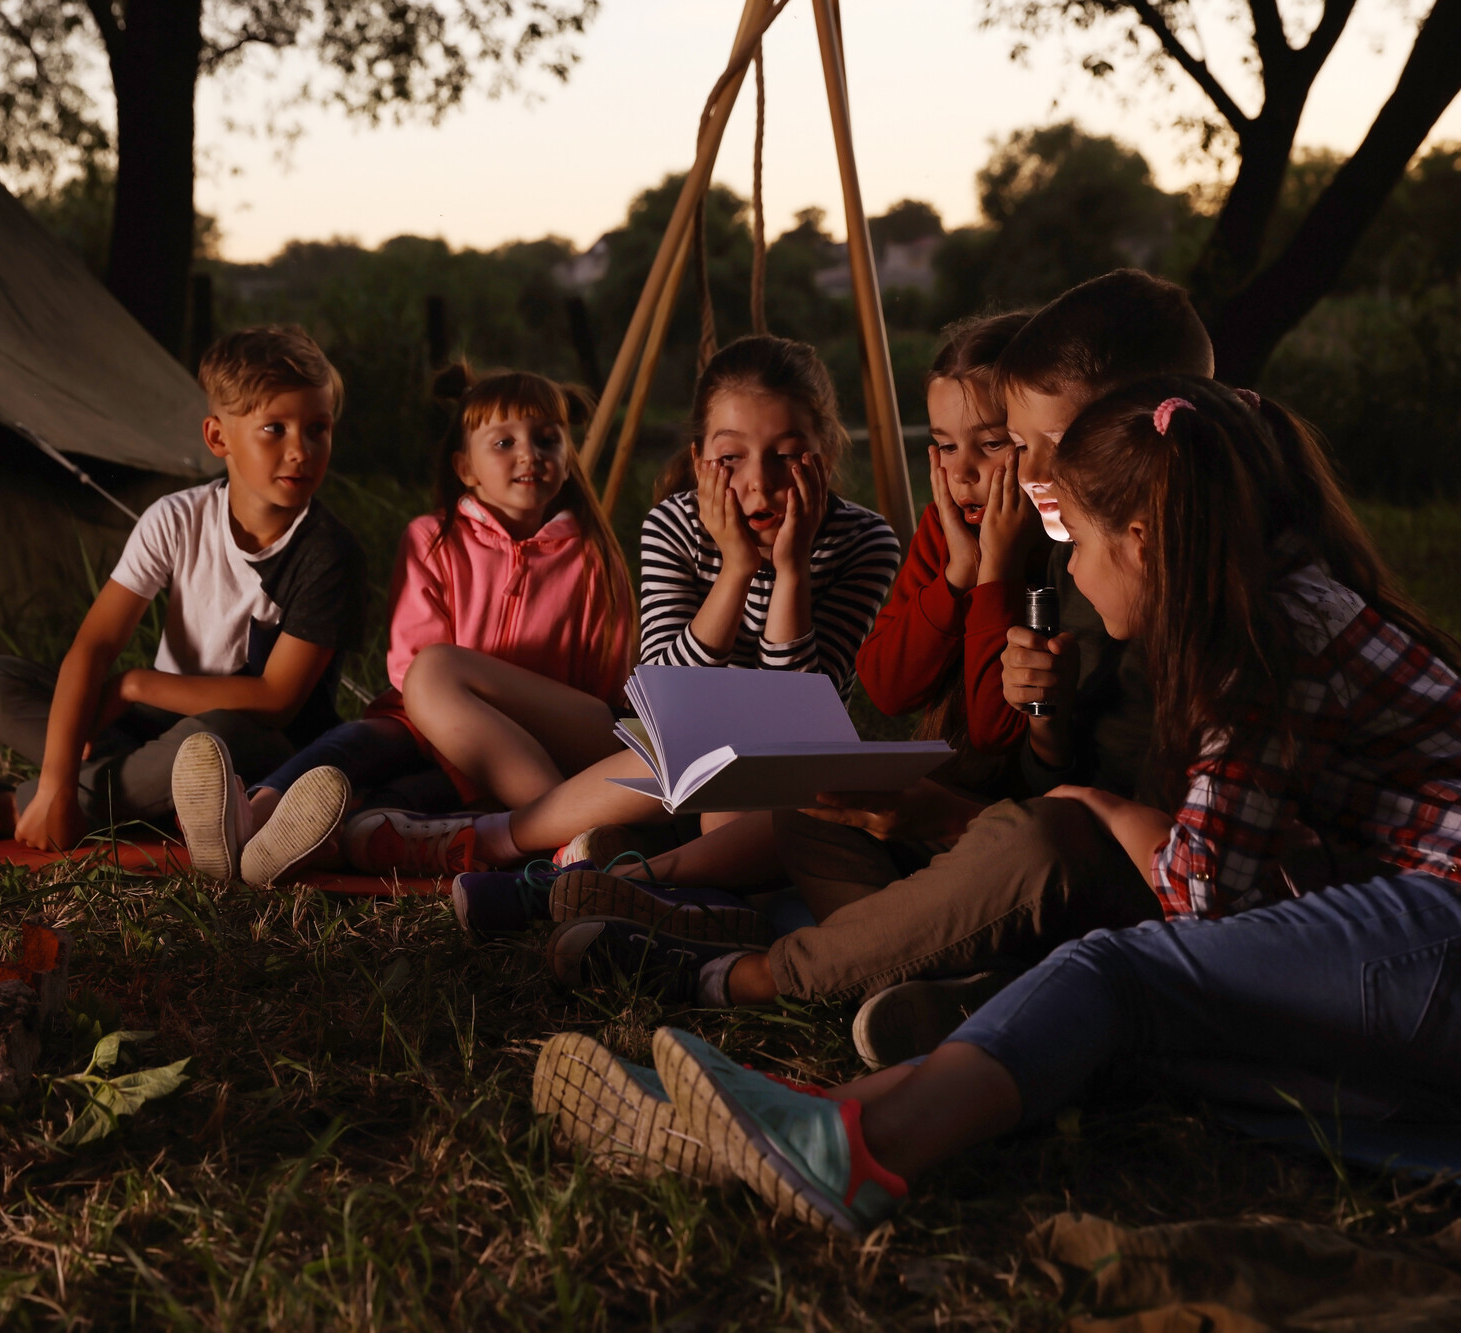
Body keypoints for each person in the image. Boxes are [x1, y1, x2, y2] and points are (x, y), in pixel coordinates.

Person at [533, 378, 1461, 1235]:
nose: (1078, 571)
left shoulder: (1266, 639)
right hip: (1406, 928)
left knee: (1120, 976)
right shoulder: (1262, 603)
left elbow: (1206, 899)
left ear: (1140, 539)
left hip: (1439, 927)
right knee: (1139, 1025)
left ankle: (849, 1142)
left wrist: (1095, 805)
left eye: (1082, 544)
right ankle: (800, 1116)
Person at [537, 272, 1216, 1071]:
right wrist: (970, 601)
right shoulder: (1059, 547)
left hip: (1074, 853)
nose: (985, 472)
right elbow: (891, 688)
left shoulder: (1103, 558)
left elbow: (1073, 806)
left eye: (1008, 445)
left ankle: (747, 967)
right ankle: (934, 975)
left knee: (1024, 837)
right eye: (950, 446)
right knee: (812, 798)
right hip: (1003, 821)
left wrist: (991, 585)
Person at [344, 335, 901, 885]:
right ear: (699, 460)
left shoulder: (865, 541)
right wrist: (735, 571)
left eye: (785, 455)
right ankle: (561, 843)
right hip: (661, 748)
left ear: (822, 456)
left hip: (775, 769)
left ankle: (575, 866)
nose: (759, 480)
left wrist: (793, 571)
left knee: (733, 798)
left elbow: (798, 711)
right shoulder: (673, 525)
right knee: (436, 667)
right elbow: (661, 695)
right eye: (730, 457)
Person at [0, 327, 364, 860]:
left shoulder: (328, 552)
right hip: (153, 729)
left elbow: (276, 701)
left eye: (318, 429)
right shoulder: (177, 518)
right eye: (275, 428)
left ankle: (6, 808)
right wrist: (58, 779)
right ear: (218, 438)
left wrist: (133, 685)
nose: (301, 450)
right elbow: (94, 646)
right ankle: (144, 798)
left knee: (209, 744)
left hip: (261, 745)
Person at [169, 364, 636, 887]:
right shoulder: (433, 538)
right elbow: (408, 665)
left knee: (410, 774)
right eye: (504, 442)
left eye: (547, 440)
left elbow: (607, 680)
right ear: (465, 467)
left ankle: (555, 832)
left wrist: (489, 752)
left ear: (568, 461)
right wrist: (465, 750)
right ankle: (253, 818)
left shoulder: (592, 556)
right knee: (356, 746)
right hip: (426, 719)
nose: (530, 454)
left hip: (542, 741)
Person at [855, 310, 1043, 796]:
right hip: (949, 781)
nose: (962, 473)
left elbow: (994, 733)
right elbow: (886, 689)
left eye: (992, 443)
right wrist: (959, 574)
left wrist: (994, 574)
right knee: (803, 814)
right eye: (945, 446)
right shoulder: (947, 528)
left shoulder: (1066, 543)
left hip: (1027, 800)